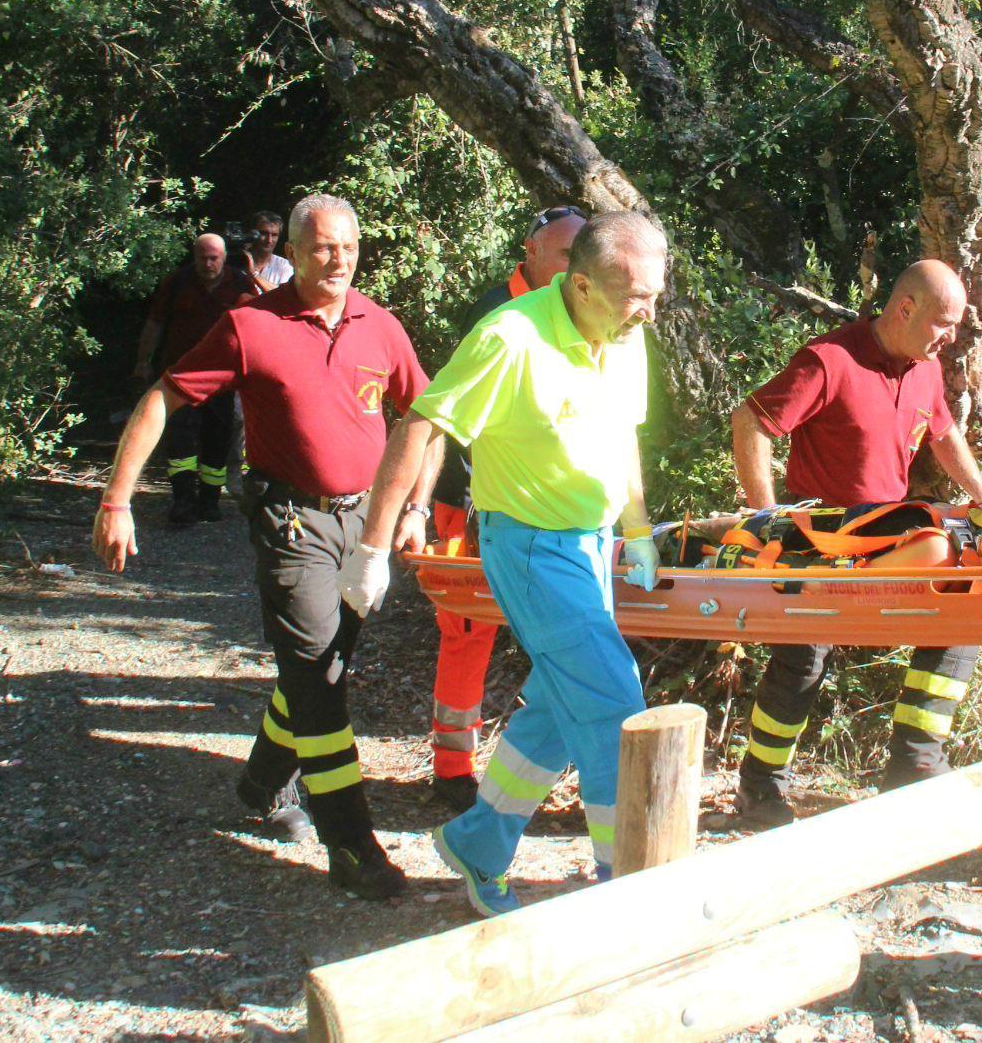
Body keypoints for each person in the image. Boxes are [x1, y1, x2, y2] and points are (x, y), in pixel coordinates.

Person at [93, 195, 435, 900]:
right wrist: (117, 499)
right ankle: (351, 843)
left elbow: (425, 415)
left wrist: (416, 507)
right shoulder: (252, 325)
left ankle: (260, 778)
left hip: (363, 529)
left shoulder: (381, 325)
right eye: (320, 248)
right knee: (321, 678)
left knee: (319, 666)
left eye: (346, 247)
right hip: (293, 527)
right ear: (295, 250)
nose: (335, 260)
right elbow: (163, 396)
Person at [350, 211, 665, 917]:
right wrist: (373, 545)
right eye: (632, 297)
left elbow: (623, 437)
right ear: (579, 284)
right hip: (526, 545)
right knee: (615, 705)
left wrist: (636, 527)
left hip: (591, 543)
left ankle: (479, 842)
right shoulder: (509, 337)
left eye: (654, 295)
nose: (646, 313)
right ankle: (629, 885)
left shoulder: (624, 334)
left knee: (558, 706)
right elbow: (420, 421)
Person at [727, 261, 982, 828]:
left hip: (888, 531)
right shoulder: (831, 360)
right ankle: (760, 787)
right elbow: (751, 419)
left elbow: (944, 435)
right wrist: (766, 517)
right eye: (943, 324)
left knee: (960, 615)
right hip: (821, 534)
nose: (950, 338)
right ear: (905, 308)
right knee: (803, 659)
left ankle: (913, 769)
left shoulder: (925, 367)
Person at [425, 204, 590, 816]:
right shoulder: (497, 313)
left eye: (583, 255)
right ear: (530, 252)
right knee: (468, 631)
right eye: (565, 254)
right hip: (472, 501)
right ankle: (451, 771)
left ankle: (535, 766)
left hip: (549, 508)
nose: (575, 267)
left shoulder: (576, 313)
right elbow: (456, 421)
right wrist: (462, 506)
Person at [132, 234, 258, 525]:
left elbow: (256, 326)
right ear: (194, 256)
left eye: (214, 257)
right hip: (180, 375)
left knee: (217, 438)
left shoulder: (240, 285)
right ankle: (183, 500)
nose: (208, 263)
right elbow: (156, 323)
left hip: (222, 378)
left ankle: (210, 501)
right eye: (203, 257)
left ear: (225, 258)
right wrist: (143, 362)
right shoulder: (178, 283)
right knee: (180, 439)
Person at [241, 210, 294, 292]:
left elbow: (282, 295)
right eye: (264, 234)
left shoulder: (284, 266)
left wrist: (254, 274)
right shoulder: (237, 261)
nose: (269, 240)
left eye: (274, 235)